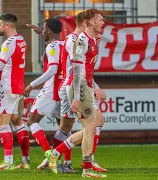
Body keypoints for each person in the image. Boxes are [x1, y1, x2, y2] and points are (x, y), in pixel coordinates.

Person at [44, 9, 107, 178]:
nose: (103, 22)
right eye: (99, 19)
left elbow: (87, 68)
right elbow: (77, 70)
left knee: (92, 126)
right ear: (90, 22)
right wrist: (78, 97)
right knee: (88, 127)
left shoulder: (92, 40)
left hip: (83, 86)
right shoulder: (81, 41)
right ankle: (84, 167)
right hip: (77, 86)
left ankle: (58, 154)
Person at [0, 13, 30, 170]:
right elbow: (10, 61)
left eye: (0, 24)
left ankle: (8, 161)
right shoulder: (21, 40)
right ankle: (26, 161)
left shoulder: (8, 43)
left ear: (7, 26)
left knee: (2, 123)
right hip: (19, 87)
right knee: (18, 123)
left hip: (8, 88)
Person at [23, 17, 64, 170]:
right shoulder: (65, 44)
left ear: (50, 30)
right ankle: (65, 162)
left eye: (45, 28)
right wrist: (41, 33)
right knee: (63, 127)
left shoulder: (52, 46)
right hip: (64, 90)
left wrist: (31, 85)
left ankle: (50, 155)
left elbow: (53, 69)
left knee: (32, 121)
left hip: (51, 89)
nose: (43, 31)